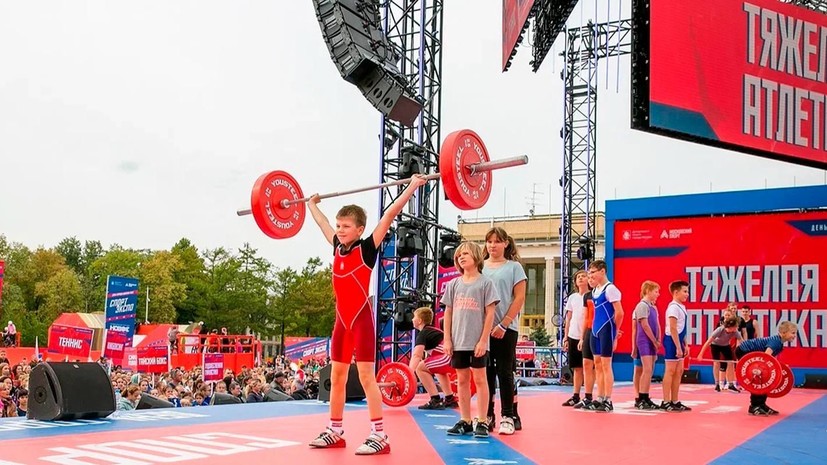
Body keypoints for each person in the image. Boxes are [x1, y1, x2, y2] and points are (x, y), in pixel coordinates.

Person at [306, 174, 426, 455]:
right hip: (341, 322)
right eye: (339, 225)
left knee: (365, 379)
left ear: (360, 229)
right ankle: (335, 430)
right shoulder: (337, 246)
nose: (340, 229)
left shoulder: (368, 248)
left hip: (360, 320)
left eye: (346, 226)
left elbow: (390, 214)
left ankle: (379, 435)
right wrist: (312, 205)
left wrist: (411, 187)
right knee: (336, 378)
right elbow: (322, 223)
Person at [443, 242, 498, 439]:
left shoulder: (485, 283)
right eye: (459, 256)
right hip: (458, 341)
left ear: (475, 256)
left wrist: (483, 340)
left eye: (465, 254)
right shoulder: (453, 285)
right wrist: (447, 339)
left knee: (481, 379)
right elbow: (448, 313)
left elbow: (490, 313)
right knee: (462, 380)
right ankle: (465, 420)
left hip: (477, 342)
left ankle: (482, 420)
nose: (461, 257)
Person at [482, 227, 527, 435]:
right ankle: (487, 415)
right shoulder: (480, 266)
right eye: (489, 242)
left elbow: (519, 298)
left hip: (506, 329)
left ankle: (508, 415)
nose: (493, 245)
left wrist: (504, 324)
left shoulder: (514, 267)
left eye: (497, 241)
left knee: (504, 372)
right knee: (486, 373)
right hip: (483, 329)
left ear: (505, 243)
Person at [586, 260, 624, 412]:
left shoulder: (611, 289)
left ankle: (608, 399)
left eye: (593, 272)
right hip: (595, 330)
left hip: (606, 329)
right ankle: (600, 396)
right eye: (589, 273)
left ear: (602, 271)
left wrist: (615, 331)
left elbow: (620, 312)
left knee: (606, 365)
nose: (591, 276)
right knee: (598, 364)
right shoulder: (595, 290)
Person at [737, 321, 798, 415]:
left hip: (753, 353)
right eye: (793, 333)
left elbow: (771, 360)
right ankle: (754, 406)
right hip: (744, 351)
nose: (795, 336)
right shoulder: (776, 341)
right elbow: (766, 356)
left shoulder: (780, 344)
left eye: (795, 333)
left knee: (765, 379)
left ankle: (761, 405)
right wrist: (759, 369)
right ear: (783, 333)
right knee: (759, 379)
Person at [409, 306, 456, 410]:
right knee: (438, 370)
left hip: (447, 357)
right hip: (452, 358)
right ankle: (450, 398)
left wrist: (409, 373)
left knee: (420, 368)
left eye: (414, 317)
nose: (412, 319)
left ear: (420, 320)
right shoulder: (432, 330)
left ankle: (435, 400)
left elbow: (417, 355)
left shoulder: (423, 333)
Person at [662, 280, 691, 412]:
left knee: (679, 372)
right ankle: (666, 401)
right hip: (672, 341)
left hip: (679, 341)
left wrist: (686, 344)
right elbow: (673, 328)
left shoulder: (681, 307)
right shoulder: (673, 307)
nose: (687, 294)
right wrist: (678, 347)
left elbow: (682, 328)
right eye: (684, 291)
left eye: (687, 291)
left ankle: (675, 400)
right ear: (675, 292)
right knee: (670, 371)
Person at [632, 280, 661, 410]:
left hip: (652, 341)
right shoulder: (642, 306)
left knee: (650, 370)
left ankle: (646, 397)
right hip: (644, 340)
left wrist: (658, 339)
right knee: (647, 369)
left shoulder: (653, 307)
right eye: (656, 292)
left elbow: (657, 324)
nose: (658, 294)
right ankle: (641, 397)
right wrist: (654, 340)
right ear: (648, 291)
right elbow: (644, 325)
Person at [562, 271, 589, 408]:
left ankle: (588, 396)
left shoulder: (591, 296)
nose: (580, 278)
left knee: (589, 367)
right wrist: (565, 338)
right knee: (577, 367)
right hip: (573, 335)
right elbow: (568, 318)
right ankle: (576, 395)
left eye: (583, 276)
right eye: (578, 277)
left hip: (587, 335)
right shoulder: (572, 298)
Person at [697, 316, 743, 393]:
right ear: (730, 327)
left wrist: (748, 352)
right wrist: (700, 354)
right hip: (715, 345)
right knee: (716, 363)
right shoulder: (720, 330)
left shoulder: (735, 332)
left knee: (731, 362)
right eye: (735, 326)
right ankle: (717, 384)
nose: (736, 328)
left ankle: (731, 384)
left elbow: (742, 341)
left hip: (725, 346)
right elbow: (708, 342)